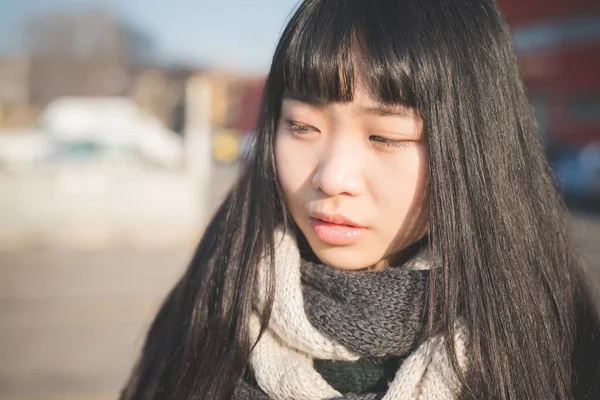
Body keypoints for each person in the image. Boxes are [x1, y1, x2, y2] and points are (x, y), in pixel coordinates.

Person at [121, 0, 600, 399]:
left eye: (387, 137)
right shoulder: (210, 306)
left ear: (477, 147)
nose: (332, 178)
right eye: (302, 127)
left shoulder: (559, 338)